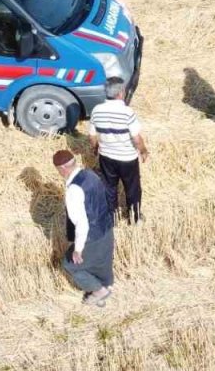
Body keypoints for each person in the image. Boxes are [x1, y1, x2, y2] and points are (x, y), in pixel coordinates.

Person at [53, 150, 115, 307]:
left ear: (62, 169)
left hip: (91, 235)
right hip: (106, 227)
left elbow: (82, 223)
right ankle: (105, 285)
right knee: (102, 260)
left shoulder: (73, 190)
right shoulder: (91, 174)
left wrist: (78, 249)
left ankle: (99, 290)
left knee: (70, 265)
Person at [88, 77, 148, 224]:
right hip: (127, 158)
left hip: (106, 156)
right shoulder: (127, 112)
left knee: (109, 187)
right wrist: (144, 151)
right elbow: (136, 138)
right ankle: (134, 218)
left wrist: (96, 149)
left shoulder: (96, 110)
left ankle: (112, 218)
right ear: (121, 92)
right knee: (132, 188)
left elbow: (92, 136)